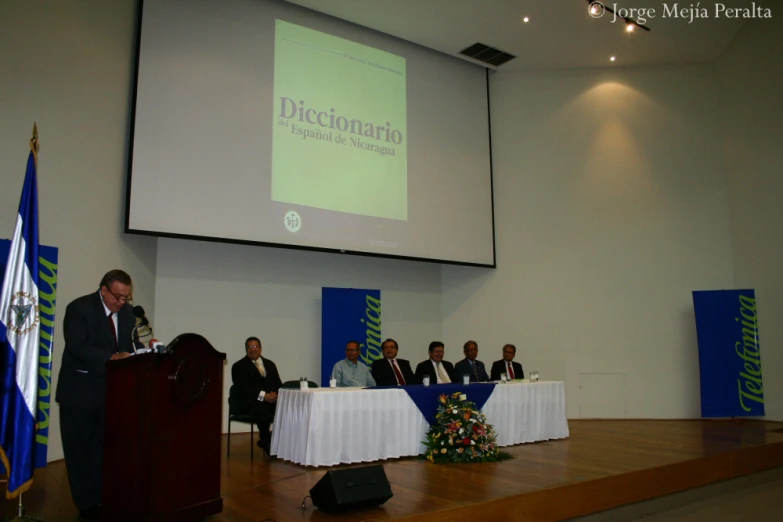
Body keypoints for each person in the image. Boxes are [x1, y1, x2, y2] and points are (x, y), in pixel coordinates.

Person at [55, 269, 135, 520]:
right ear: (104, 290)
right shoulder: (79, 309)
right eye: (118, 297)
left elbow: (127, 346)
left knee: (106, 448)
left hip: (112, 393)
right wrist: (112, 358)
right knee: (80, 450)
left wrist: (145, 350)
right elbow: (77, 346)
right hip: (79, 392)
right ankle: (86, 503)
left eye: (126, 297)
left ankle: (106, 495)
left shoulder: (129, 313)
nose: (122, 302)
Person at [231, 337, 283, 455]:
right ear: (246, 349)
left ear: (260, 349)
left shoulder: (270, 364)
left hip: (271, 400)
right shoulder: (238, 366)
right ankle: (266, 441)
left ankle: (276, 440)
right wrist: (264, 396)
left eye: (255, 347)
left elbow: (278, 384)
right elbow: (243, 388)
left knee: (286, 409)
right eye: (250, 347)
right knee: (261, 408)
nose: (253, 350)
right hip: (250, 402)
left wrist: (275, 395)